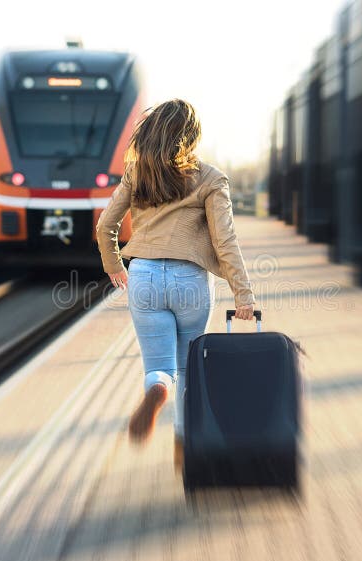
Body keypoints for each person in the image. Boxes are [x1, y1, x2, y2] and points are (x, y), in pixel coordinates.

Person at [96, 98, 256, 470]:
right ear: (192, 136)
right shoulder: (211, 178)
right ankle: (184, 441)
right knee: (187, 366)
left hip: (144, 277)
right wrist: (243, 295)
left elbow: (106, 225)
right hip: (190, 281)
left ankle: (156, 391)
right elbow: (225, 241)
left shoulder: (138, 173)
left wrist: (113, 265)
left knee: (159, 366)